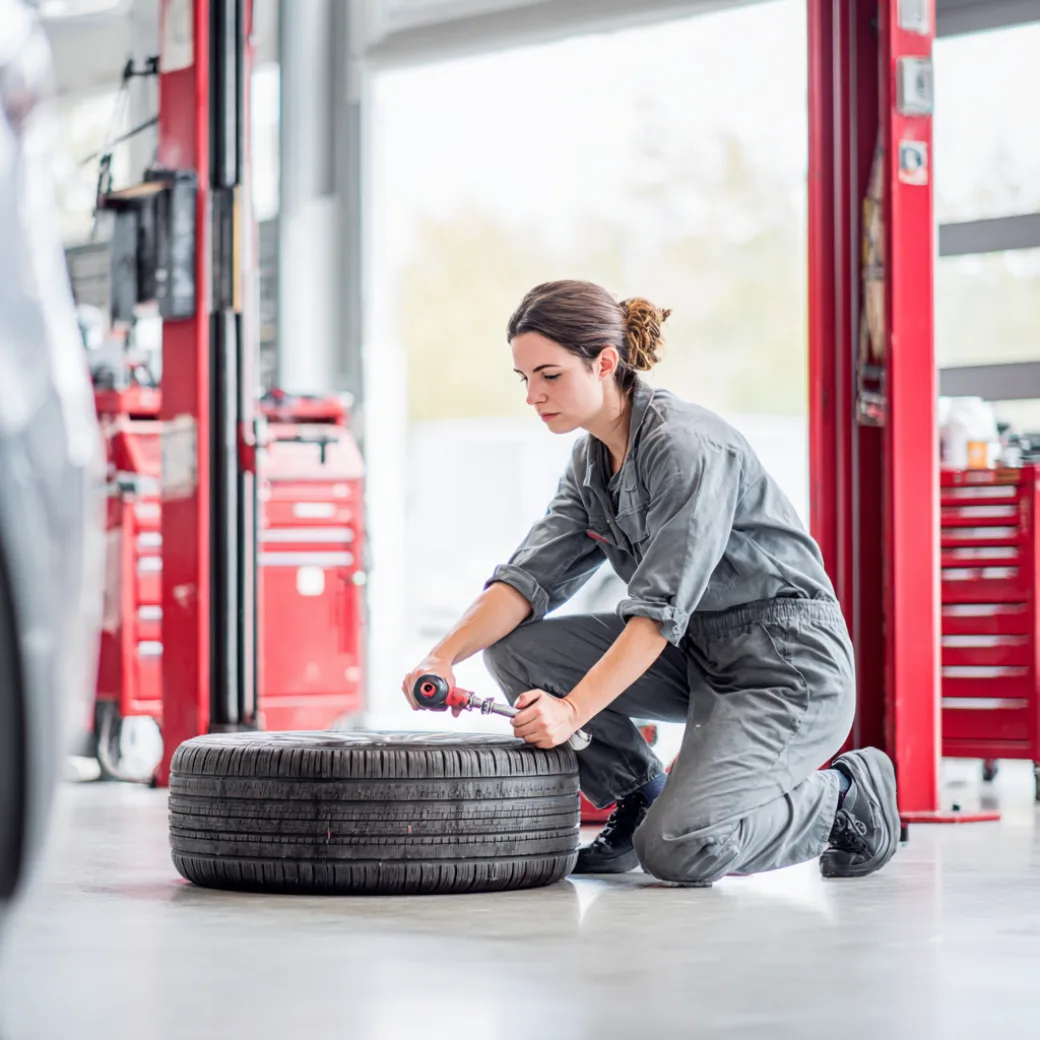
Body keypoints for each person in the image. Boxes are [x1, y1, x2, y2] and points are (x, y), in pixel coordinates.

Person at [402, 279, 899, 885]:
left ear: (605, 362)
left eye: (549, 375)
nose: (532, 395)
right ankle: (638, 792)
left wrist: (571, 711)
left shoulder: (685, 447)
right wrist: (443, 656)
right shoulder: (592, 461)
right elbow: (528, 578)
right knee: (516, 651)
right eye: (523, 378)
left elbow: (659, 612)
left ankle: (848, 798)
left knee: (681, 847)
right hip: (697, 654)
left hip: (785, 666)